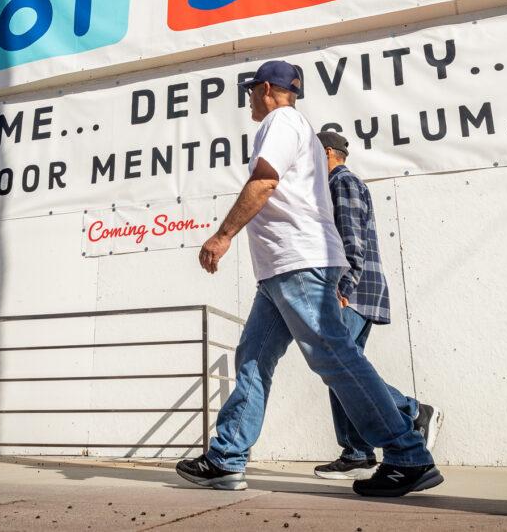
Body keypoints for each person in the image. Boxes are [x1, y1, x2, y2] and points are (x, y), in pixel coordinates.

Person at [176, 60, 442, 498]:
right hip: (279, 270)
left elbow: (264, 181)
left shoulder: (281, 120)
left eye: (249, 92)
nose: (248, 101)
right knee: (253, 359)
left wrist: (223, 235)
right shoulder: (303, 130)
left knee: (333, 357)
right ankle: (225, 459)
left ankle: (407, 453)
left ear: (264, 88)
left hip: (297, 263)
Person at [313, 130, 444, 479]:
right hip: (355, 290)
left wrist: (343, 285)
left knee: (341, 367)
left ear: (326, 152)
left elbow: (350, 240)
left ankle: (412, 411)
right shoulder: (337, 184)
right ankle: (357, 451)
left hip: (353, 291)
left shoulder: (342, 183)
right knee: (340, 370)